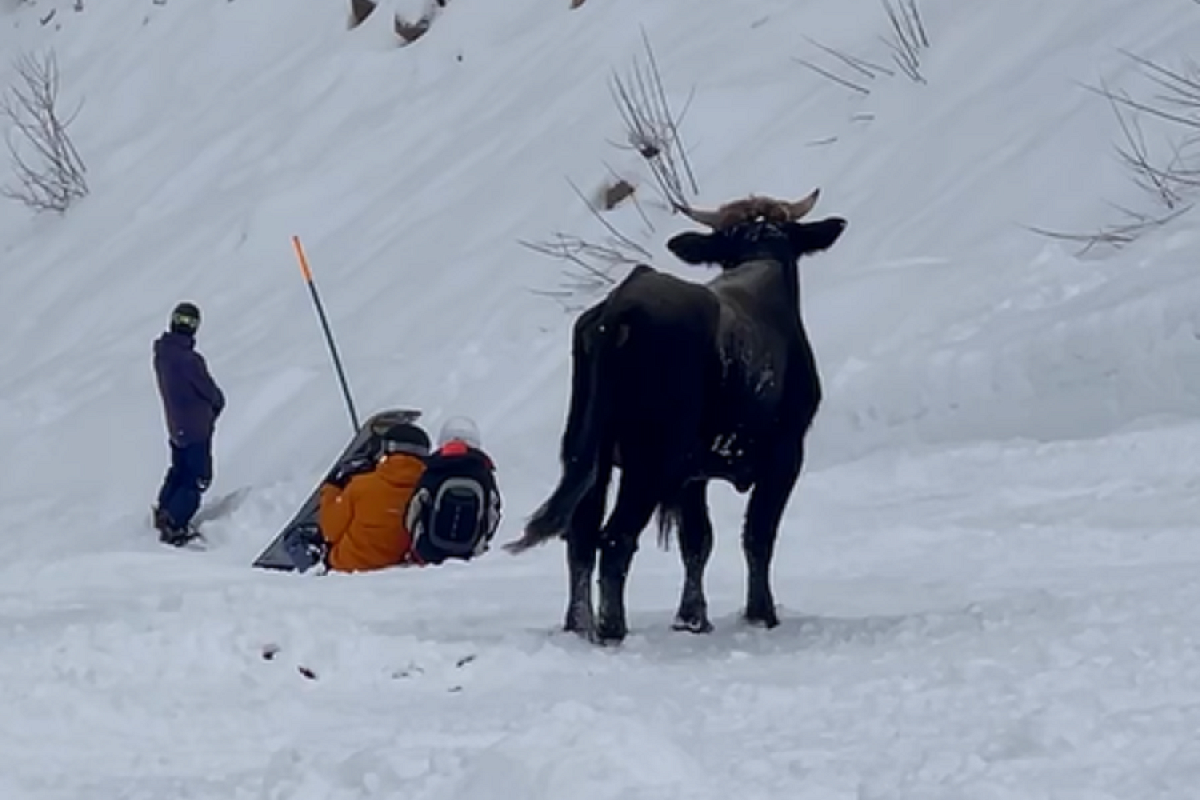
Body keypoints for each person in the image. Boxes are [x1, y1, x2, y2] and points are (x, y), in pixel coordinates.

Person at [152, 301, 225, 545]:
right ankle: (175, 523)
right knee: (197, 476)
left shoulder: (163, 354)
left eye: (190, 322)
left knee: (180, 469)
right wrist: (217, 401)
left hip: (177, 425)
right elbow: (207, 389)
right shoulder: (189, 360)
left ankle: (165, 510)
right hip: (195, 427)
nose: (186, 326)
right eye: (184, 321)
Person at [318, 421, 431, 573]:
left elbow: (330, 532)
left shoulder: (361, 486)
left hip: (347, 567)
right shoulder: (426, 492)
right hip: (398, 568)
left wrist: (331, 488)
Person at [406, 415, 502, 565]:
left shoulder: (432, 470)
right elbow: (493, 514)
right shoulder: (483, 473)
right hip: (470, 553)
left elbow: (413, 510)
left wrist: (418, 542)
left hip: (430, 552)